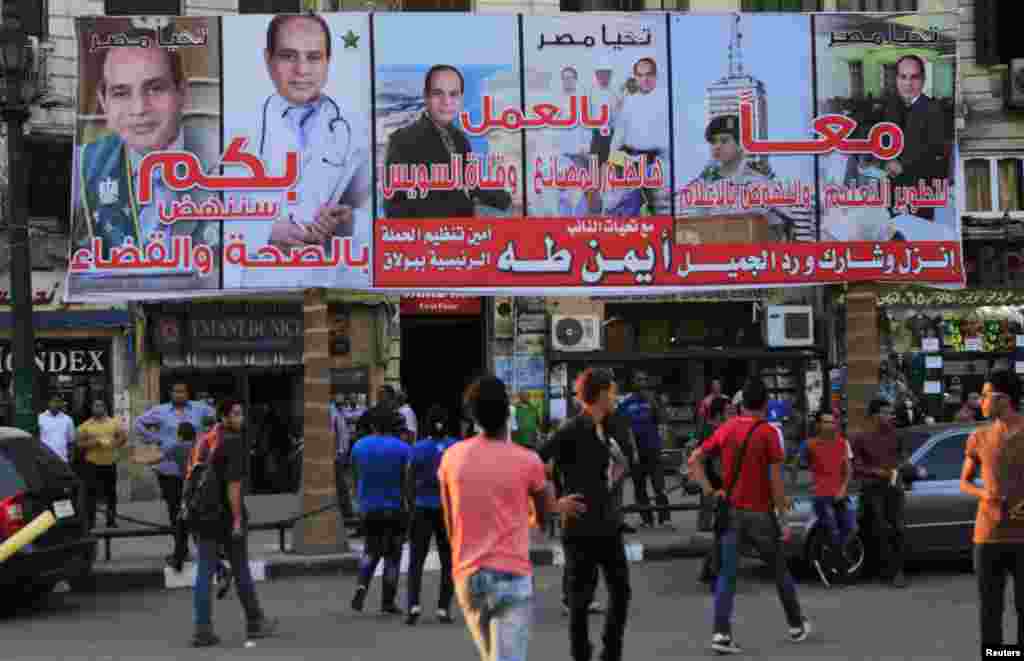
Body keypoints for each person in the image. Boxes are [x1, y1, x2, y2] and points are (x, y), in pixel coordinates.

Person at [438, 375, 586, 661]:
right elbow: (544, 516)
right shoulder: (528, 460)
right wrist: (546, 511)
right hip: (511, 574)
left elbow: (450, 522)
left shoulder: (451, 457)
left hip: (468, 575)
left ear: (472, 415)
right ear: (508, 413)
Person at [70, 34, 219, 292]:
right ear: (104, 101)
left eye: (155, 88)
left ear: (181, 92)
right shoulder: (84, 167)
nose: (139, 108)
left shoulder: (226, 159)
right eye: (121, 93)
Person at [689, 378, 810, 655]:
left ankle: (721, 633)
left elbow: (694, 458)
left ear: (742, 404)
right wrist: (783, 518)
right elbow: (776, 482)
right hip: (760, 515)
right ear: (766, 403)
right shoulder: (768, 433)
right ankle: (795, 625)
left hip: (731, 512)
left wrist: (711, 491)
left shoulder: (728, 428)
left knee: (727, 575)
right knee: (779, 570)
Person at [249, 15, 370, 256]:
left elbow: (378, 210)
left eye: (314, 57)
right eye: (288, 56)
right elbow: (209, 216)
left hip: (327, 272)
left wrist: (349, 222)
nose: (302, 70)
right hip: (259, 274)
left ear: (328, 62)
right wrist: (264, 231)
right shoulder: (238, 127)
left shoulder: (356, 129)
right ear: (268, 60)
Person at [540, 368, 632, 661]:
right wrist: (555, 503)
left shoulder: (603, 427)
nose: (616, 397)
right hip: (580, 526)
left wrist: (616, 472)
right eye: (614, 391)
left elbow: (611, 469)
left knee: (621, 591)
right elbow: (533, 462)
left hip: (606, 523)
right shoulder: (572, 427)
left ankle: (610, 651)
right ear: (602, 393)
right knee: (580, 601)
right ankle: (583, 654)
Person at [187, 399, 278, 647]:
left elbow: (191, 477)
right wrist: (237, 519)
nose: (241, 418)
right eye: (236, 414)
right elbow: (233, 487)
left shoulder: (204, 441)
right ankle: (255, 622)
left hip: (202, 515)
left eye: (241, 413)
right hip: (225, 516)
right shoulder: (233, 442)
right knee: (240, 569)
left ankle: (202, 630)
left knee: (204, 573)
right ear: (224, 417)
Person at [383, 64, 514, 219]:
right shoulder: (402, 141)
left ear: (461, 98)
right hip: (427, 235)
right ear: (426, 96)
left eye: (453, 94)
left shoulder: (459, 138)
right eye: (438, 93)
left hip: (461, 231)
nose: (446, 101)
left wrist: (508, 200)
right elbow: (393, 207)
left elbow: (472, 185)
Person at [959, 370, 1024, 650]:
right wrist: (983, 493)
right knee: (990, 613)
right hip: (987, 539)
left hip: (1023, 539)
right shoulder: (978, 437)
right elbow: (965, 482)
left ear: (1003, 398)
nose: (980, 401)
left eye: (985, 395)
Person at [134, 383, 216, 569]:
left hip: (194, 470)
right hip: (168, 470)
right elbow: (138, 424)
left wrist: (207, 438)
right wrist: (156, 439)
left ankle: (203, 549)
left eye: (183, 391)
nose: (179, 394)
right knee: (175, 511)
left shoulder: (199, 408)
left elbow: (215, 419)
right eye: (176, 391)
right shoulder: (160, 411)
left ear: (188, 393)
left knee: (197, 509)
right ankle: (182, 549)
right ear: (170, 394)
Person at [682, 114, 789, 241]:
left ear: (740, 144)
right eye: (713, 142)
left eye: (724, 141)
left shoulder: (761, 184)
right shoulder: (702, 187)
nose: (717, 146)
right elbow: (694, 228)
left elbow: (781, 230)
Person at [350, 404, 410, 615]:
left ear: (374, 425)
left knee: (371, 549)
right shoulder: (403, 449)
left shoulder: (359, 446)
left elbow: (355, 476)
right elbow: (406, 482)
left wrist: (358, 502)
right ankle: (387, 601)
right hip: (395, 508)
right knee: (393, 555)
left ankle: (361, 586)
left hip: (369, 508)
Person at [404, 405, 459, 625]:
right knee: (448, 560)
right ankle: (443, 608)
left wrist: (411, 504)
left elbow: (408, 481)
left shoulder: (417, 448)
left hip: (422, 508)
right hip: (447, 511)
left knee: (416, 560)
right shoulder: (455, 447)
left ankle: (414, 605)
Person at [882, 54, 949, 221]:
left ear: (923, 80)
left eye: (914, 77)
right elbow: (884, 144)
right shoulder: (890, 108)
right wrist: (881, 160)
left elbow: (937, 153)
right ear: (896, 79)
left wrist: (902, 165)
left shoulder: (934, 110)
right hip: (893, 193)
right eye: (903, 77)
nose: (908, 83)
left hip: (920, 193)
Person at [851, 398, 909, 588]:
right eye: (885, 413)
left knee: (898, 529)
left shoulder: (897, 435)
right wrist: (877, 471)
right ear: (874, 416)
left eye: (890, 412)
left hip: (894, 488)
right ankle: (884, 569)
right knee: (880, 529)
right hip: (873, 489)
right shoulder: (861, 437)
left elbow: (903, 457)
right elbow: (856, 465)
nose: (889, 416)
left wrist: (899, 467)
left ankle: (897, 571)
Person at [606, 57, 670, 217]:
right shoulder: (628, 104)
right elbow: (616, 142)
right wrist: (618, 161)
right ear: (635, 77)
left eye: (649, 74)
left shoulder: (665, 100)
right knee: (626, 210)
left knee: (660, 212)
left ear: (655, 76)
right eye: (640, 75)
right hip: (631, 165)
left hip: (659, 166)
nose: (645, 79)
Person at [802, 412, 855, 588]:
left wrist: (842, 488)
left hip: (839, 494)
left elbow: (848, 471)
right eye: (826, 422)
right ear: (818, 425)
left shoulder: (842, 443)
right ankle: (840, 573)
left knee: (849, 527)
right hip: (821, 495)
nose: (831, 425)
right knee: (832, 530)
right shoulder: (809, 445)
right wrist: (807, 483)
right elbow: (795, 465)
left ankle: (825, 559)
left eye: (833, 422)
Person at [617, 389, 670, 528]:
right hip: (636, 452)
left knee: (659, 486)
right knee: (640, 487)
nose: (642, 383)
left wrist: (661, 445)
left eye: (644, 380)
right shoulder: (626, 403)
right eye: (639, 380)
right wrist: (631, 451)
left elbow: (660, 422)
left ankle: (664, 519)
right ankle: (647, 520)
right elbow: (625, 427)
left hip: (653, 450)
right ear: (633, 384)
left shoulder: (651, 401)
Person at [76, 399, 127, 529]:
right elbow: (79, 444)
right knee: (91, 494)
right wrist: (93, 443)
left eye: (100, 406)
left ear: (104, 408)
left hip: (110, 463)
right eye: (95, 406)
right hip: (92, 464)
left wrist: (114, 443)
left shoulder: (114, 423)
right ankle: (90, 522)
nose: (97, 408)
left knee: (111, 494)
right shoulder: (85, 425)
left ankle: (111, 520)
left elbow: (123, 437)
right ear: (92, 409)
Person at [696, 396, 730, 588]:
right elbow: (716, 465)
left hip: (711, 487)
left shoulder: (707, 429)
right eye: (728, 412)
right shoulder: (716, 432)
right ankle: (716, 576)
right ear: (719, 414)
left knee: (720, 531)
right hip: (717, 488)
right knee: (723, 532)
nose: (731, 415)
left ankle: (708, 570)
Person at [331, 394, 355, 520]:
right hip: (337, 454)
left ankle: (345, 511)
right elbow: (333, 434)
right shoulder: (332, 412)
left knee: (342, 482)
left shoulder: (340, 412)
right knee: (342, 483)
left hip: (342, 453)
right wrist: (336, 453)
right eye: (339, 399)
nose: (343, 402)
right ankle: (347, 511)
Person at [38, 396, 76, 463]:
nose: (56, 404)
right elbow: (36, 438)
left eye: (59, 402)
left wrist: (71, 457)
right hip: (45, 459)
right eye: (54, 401)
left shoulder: (68, 420)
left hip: (62, 459)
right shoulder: (40, 418)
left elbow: (71, 441)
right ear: (49, 403)